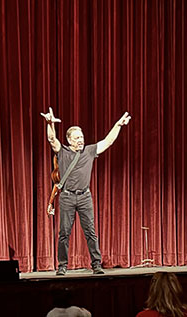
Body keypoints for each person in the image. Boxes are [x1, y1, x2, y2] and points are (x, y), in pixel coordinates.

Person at [41, 107, 131, 275]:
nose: (81, 140)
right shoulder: (63, 151)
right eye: (77, 138)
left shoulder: (89, 151)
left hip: (85, 197)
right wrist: (49, 124)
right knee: (64, 234)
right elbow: (52, 139)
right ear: (69, 140)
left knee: (91, 232)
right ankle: (62, 266)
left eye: (82, 137)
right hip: (67, 197)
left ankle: (96, 264)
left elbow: (107, 141)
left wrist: (118, 125)